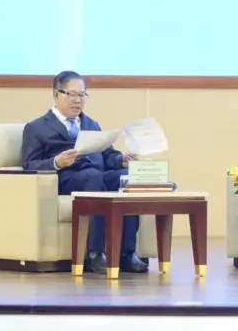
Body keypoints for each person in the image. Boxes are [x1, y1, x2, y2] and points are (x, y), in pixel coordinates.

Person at [20, 71, 148, 274]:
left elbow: (107, 155)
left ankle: (126, 253)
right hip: (66, 177)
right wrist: (56, 162)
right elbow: (29, 164)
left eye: (82, 95)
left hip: (96, 174)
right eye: (72, 94)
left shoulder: (90, 124)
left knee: (126, 178)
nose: (77, 100)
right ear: (56, 94)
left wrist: (121, 160)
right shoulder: (36, 127)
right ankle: (95, 253)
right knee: (93, 178)